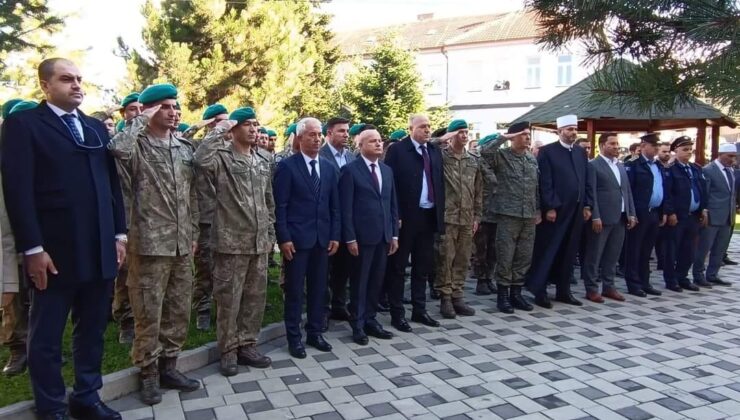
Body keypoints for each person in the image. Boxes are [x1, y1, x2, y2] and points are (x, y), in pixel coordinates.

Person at [2, 57, 126, 420]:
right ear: (45, 85)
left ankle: (87, 396)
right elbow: (18, 191)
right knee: (47, 337)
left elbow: (111, 185)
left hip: (100, 247)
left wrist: (119, 233)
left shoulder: (94, 128)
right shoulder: (23, 125)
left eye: (79, 79)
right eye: (66, 79)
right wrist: (33, 248)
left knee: (92, 331)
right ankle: (51, 406)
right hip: (54, 252)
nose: (76, 85)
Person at [108, 83, 201, 405]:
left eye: (176, 107)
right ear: (148, 110)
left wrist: (193, 234)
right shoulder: (137, 144)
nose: (174, 112)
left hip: (180, 243)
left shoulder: (184, 147)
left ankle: (170, 366)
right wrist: (139, 119)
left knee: (177, 309)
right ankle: (148, 373)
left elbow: (192, 195)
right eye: (165, 107)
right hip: (147, 243)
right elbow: (116, 149)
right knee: (148, 312)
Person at [194, 107, 274, 376]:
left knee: (255, 297)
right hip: (230, 241)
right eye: (247, 124)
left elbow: (268, 199)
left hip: (259, 242)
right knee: (229, 299)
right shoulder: (221, 158)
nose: (254, 129)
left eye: (256, 124)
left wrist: (270, 231)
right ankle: (228, 350)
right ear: (234, 129)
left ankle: (248, 344)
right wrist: (220, 128)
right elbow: (200, 160)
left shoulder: (263, 159)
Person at [273, 117, 340, 359]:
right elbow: (281, 206)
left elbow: (335, 207)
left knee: (319, 289)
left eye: (319, 134)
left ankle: (315, 332)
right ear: (300, 138)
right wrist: (284, 238)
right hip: (297, 241)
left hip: (322, 240)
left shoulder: (329, 168)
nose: (317, 138)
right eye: (311, 134)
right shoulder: (288, 167)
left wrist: (335, 234)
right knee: (294, 291)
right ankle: (294, 337)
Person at [383, 114, 445, 331]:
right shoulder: (398, 151)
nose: (427, 130)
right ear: (410, 128)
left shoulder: (434, 151)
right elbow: (389, 185)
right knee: (399, 267)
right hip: (406, 218)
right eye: (422, 127)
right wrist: (395, 215)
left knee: (423, 266)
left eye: (429, 126)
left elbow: (439, 184)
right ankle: (397, 313)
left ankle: (420, 310)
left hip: (428, 215)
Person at [339, 127, 398, 345]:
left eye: (379, 141)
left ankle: (371, 320)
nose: (378, 144)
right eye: (372, 141)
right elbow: (345, 208)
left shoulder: (386, 170)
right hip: (361, 239)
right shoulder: (350, 170)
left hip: (383, 236)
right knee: (360, 282)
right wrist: (350, 238)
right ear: (360, 146)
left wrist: (394, 235)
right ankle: (358, 324)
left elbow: (392, 204)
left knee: (376, 281)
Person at [527, 114, 588, 308]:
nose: (573, 133)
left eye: (575, 129)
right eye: (569, 129)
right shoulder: (547, 152)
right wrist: (550, 206)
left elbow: (584, 180)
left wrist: (587, 205)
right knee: (548, 251)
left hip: (576, 209)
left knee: (569, 252)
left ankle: (563, 291)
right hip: (556, 211)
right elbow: (545, 182)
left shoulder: (580, 152)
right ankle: (540, 290)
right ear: (560, 131)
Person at [479, 122, 540, 313]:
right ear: (513, 137)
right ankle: (503, 295)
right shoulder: (502, 156)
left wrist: (537, 209)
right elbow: (484, 153)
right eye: (523, 135)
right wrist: (502, 138)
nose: (527, 138)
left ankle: (517, 293)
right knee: (505, 255)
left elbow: (535, 188)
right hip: (508, 215)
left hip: (528, 215)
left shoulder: (531, 159)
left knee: (524, 256)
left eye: (528, 135)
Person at [582, 133, 637, 303]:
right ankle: (591, 289)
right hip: (602, 218)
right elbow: (592, 193)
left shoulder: (620, 165)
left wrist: (631, 213)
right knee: (594, 255)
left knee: (613, 254)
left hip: (620, 217)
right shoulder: (593, 165)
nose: (616, 147)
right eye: (612, 143)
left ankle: (609, 286)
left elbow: (626, 191)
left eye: (617, 144)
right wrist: (595, 216)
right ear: (602, 145)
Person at [435, 119, 481, 318]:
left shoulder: (473, 160)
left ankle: (458, 296)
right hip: (448, 217)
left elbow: (479, 190)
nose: (464, 135)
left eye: (466, 132)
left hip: (467, 217)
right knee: (445, 258)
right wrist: (442, 138)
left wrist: (477, 216)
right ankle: (445, 298)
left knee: (463, 258)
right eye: (460, 132)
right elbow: (426, 145)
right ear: (451, 135)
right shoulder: (440, 157)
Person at [192, 103, 229, 331]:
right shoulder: (198, 145)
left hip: (227, 217)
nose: (223, 126)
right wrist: (200, 127)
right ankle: (202, 309)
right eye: (217, 121)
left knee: (224, 267)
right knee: (204, 267)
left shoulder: (229, 147)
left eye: (225, 121)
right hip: (205, 216)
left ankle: (221, 308)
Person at [1, 101, 30, 378]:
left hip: (38, 240)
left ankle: (42, 345)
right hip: (7, 240)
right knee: (14, 299)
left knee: (41, 297)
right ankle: (18, 348)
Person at [111, 92, 143, 344]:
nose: (138, 114)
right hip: (124, 219)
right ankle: (126, 321)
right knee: (125, 277)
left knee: (144, 276)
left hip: (149, 222)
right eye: (132, 110)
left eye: (142, 109)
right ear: (123, 114)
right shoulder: (120, 142)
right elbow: (119, 150)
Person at [319, 117, 355, 323]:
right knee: (324, 269)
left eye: (347, 131)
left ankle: (339, 305)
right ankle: (322, 310)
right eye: (341, 131)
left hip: (347, 220)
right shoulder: (320, 155)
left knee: (344, 266)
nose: (346, 134)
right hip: (326, 220)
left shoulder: (351, 157)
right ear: (329, 133)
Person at [624, 133, 669, 296]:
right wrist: (631, 213)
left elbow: (663, 189)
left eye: (658, 146)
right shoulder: (634, 165)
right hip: (639, 213)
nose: (656, 148)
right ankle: (634, 284)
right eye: (653, 146)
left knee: (647, 250)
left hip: (654, 213)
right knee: (635, 250)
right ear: (643, 146)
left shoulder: (658, 166)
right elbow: (628, 191)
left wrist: (663, 211)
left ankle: (645, 282)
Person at [662, 136, 707, 292]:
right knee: (672, 249)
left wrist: (703, 209)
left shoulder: (695, 169)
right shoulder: (670, 169)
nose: (689, 152)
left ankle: (682, 277)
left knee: (688, 250)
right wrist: (670, 212)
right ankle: (671, 280)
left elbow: (702, 190)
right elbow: (667, 193)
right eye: (685, 149)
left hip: (693, 216)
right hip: (678, 216)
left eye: (690, 150)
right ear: (676, 150)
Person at [693, 143, 737, 286]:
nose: (732, 159)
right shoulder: (708, 170)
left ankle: (712, 274)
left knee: (720, 248)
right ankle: (698, 275)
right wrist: (704, 211)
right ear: (721, 154)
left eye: (734, 156)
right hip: (712, 216)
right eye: (730, 156)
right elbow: (705, 193)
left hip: (727, 216)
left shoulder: (730, 171)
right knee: (704, 247)